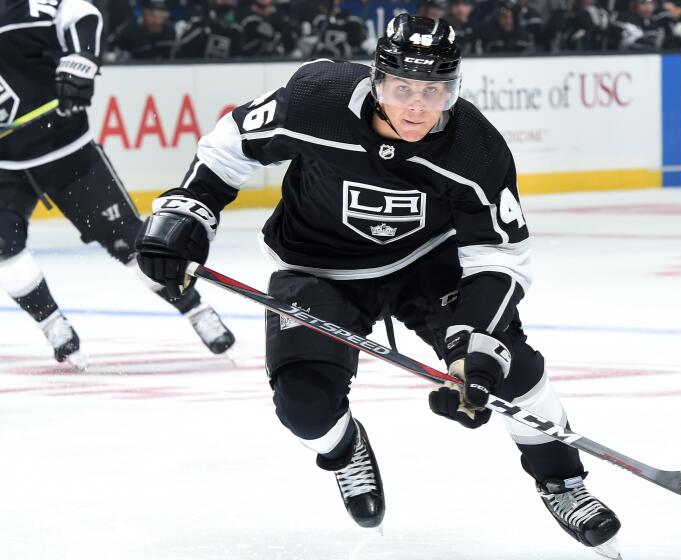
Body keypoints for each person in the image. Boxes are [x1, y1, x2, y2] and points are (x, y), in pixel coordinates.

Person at [134, 13, 622, 556]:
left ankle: (560, 479)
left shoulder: (475, 149)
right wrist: (188, 215)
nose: (417, 106)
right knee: (302, 405)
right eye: (403, 88)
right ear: (376, 79)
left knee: (508, 366)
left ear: (454, 88)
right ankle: (345, 451)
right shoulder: (316, 98)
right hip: (317, 267)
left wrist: (473, 347)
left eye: (435, 90)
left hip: (427, 265)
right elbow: (231, 143)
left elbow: (499, 255)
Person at [0, 0, 236, 369]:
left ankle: (196, 310)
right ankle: (53, 326)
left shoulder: (21, 7)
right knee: (4, 248)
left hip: (66, 151)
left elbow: (81, 12)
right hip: (4, 168)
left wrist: (80, 59)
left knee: (130, 242)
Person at [108, 0, 177, 61]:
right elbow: (114, 57)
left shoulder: (171, 31)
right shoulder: (128, 31)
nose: (156, 20)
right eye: (152, 15)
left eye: (161, 15)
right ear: (144, 13)